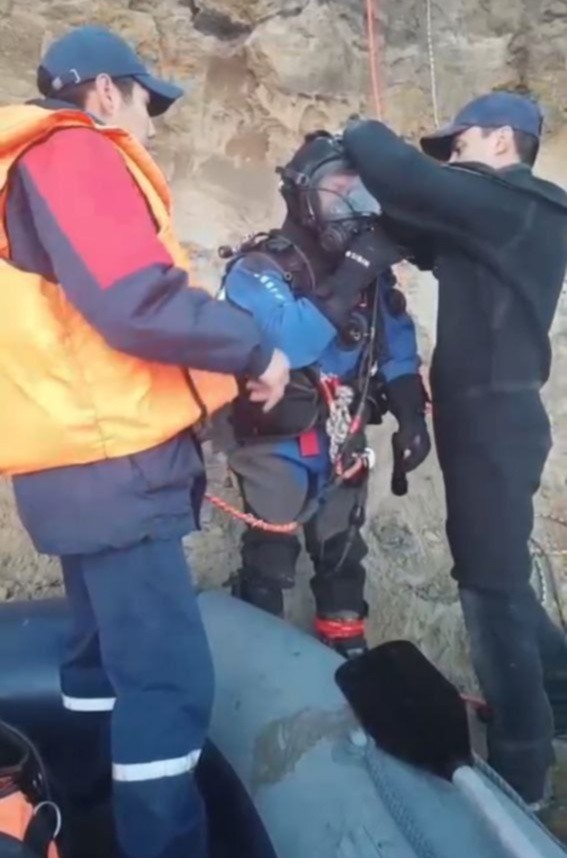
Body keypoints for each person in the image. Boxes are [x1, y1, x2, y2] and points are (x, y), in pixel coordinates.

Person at [0, 24, 289, 858]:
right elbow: (135, 300)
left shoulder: (21, 165)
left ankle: (90, 822)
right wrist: (254, 349)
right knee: (166, 682)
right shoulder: (74, 150)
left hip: (68, 462)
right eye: (145, 104)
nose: (150, 126)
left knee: (98, 663)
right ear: (103, 92)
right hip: (115, 463)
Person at [341, 92, 567, 805]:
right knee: (496, 574)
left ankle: (523, 769)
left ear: (502, 141)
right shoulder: (499, 223)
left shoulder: (519, 204)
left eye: (460, 144)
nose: (453, 160)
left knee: (489, 589)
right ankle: (561, 696)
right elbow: (422, 221)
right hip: (490, 424)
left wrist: (359, 130)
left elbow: (407, 178)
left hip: (495, 427)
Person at [221, 131, 431, 657]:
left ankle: (344, 660)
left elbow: (397, 349)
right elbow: (290, 343)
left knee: (342, 557)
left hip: (343, 438)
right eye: (338, 190)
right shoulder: (258, 269)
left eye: (361, 192)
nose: (351, 206)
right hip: (275, 443)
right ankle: (255, 662)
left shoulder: (371, 281)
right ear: (301, 197)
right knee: (270, 556)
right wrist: (355, 271)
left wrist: (411, 416)